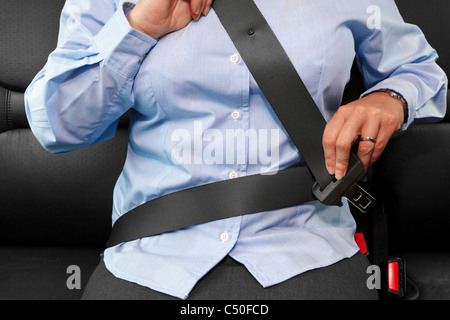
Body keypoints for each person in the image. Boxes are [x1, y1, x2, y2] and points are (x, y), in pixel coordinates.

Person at [25, 0, 447, 300]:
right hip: (151, 250)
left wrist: (390, 98)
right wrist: (138, 27)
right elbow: (58, 126)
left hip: (307, 243)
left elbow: (420, 69)